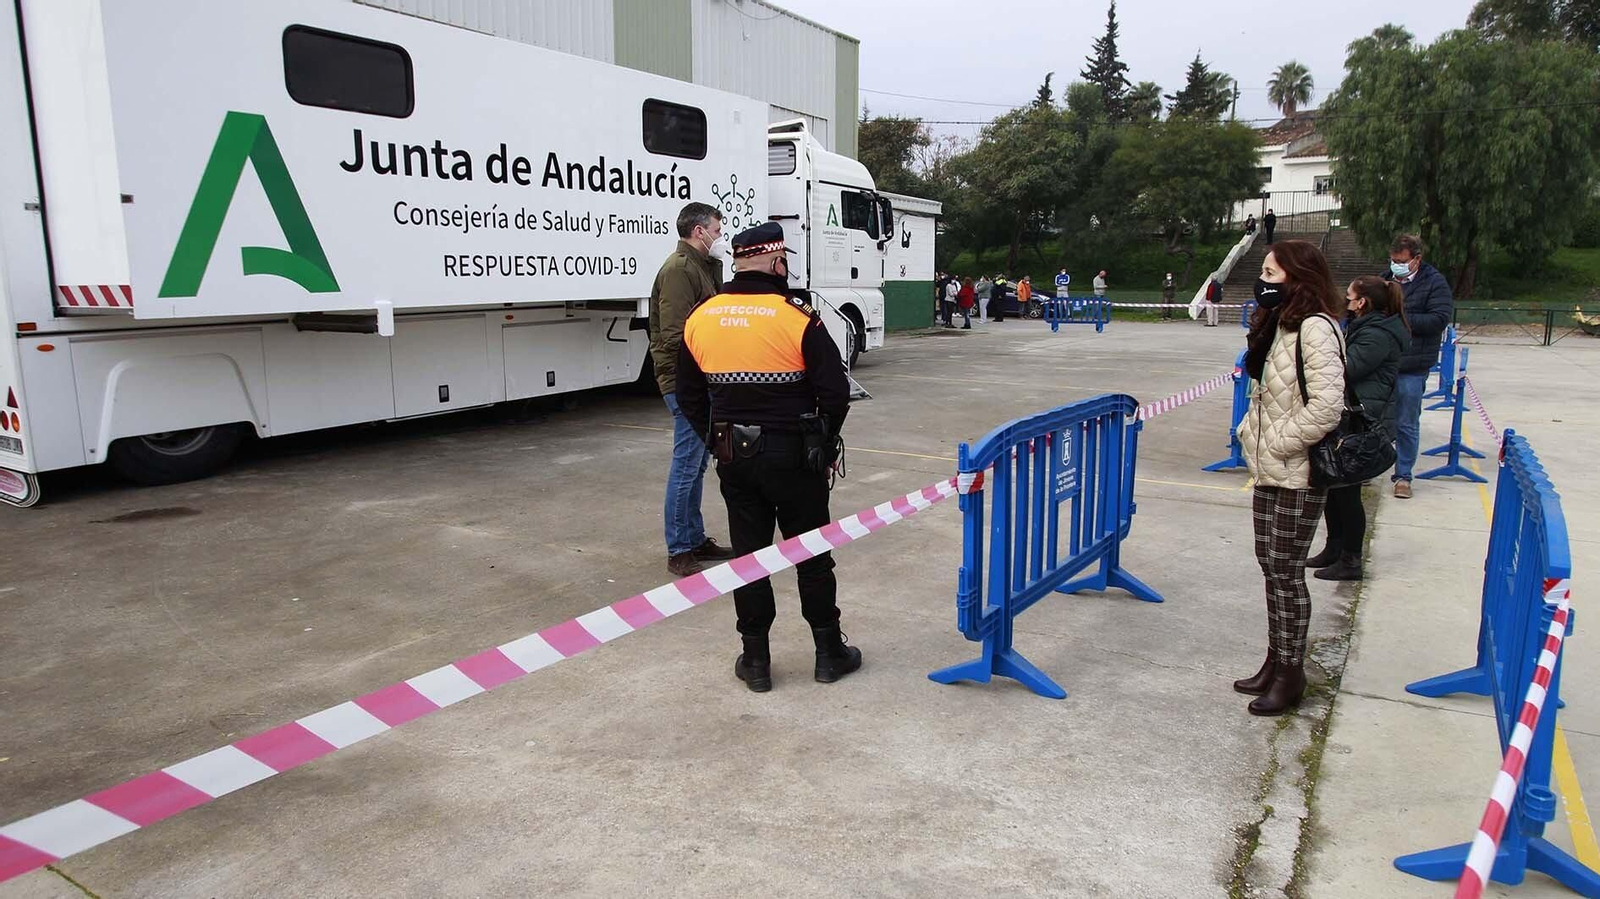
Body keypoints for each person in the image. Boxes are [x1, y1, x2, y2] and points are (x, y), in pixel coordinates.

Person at [676, 222, 860, 693]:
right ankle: (827, 654)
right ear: (777, 263)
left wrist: (715, 441)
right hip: (795, 457)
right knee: (812, 556)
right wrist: (822, 441)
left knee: (749, 559)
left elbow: (689, 397)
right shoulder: (797, 317)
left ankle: (756, 660)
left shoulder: (702, 315)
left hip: (734, 456)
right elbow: (835, 393)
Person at [1232, 239, 1346, 716]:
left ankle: (1291, 673)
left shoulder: (1316, 329)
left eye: (1272, 274)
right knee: (1270, 566)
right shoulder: (1281, 325)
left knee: (1286, 572)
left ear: (1299, 279)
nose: (1263, 282)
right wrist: (1249, 435)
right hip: (1270, 469)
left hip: (1297, 471)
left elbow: (1327, 407)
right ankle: (1276, 659)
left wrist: (1279, 442)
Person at [650, 202, 737, 577]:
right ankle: (679, 549)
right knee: (687, 464)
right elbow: (674, 333)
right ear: (699, 232)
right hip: (685, 380)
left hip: (702, 379)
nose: (720, 237)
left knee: (698, 463)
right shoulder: (678, 270)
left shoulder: (702, 268)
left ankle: (695, 538)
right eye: (717, 230)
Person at [1308, 276, 1409, 581]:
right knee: (1334, 488)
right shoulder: (1368, 328)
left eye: (1350, 298)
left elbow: (1346, 368)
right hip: (1350, 415)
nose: (1346, 303)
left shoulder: (1377, 334)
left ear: (1362, 303)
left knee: (1348, 494)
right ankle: (1334, 547)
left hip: (1360, 419)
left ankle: (1351, 560)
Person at [1383, 234, 1454, 500]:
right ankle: (1368, 466)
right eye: (1392, 260)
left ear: (1416, 259)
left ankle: (1403, 475)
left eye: (1401, 261)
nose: (1396, 265)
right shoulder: (1385, 280)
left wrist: (1399, 318)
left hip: (1413, 364)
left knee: (1406, 422)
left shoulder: (1435, 283)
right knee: (1375, 419)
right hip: (1383, 362)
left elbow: (1438, 319)